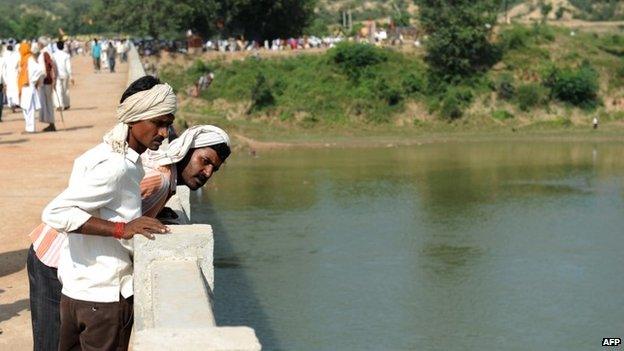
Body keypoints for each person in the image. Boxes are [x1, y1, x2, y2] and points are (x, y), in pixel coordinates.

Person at [28, 124, 230, 350]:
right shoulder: (158, 180)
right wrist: (124, 228)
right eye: (205, 161)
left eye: (214, 168)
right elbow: (103, 214)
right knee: (49, 344)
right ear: (185, 149)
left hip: (72, 259)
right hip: (56, 257)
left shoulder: (165, 180)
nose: (208, 173)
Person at [40, 76, 176, 351]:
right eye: (158, 123)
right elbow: (56, 212)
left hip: (75, 295)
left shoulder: (96, 155)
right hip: (103, 302)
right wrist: (121, 229)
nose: (164, 133)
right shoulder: (119, 167)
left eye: (168, 124)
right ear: (134, 117)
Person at [18, 41, 44, 133]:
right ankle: (29, 127)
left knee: (29, 108)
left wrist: (32, 80)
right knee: (25, 107)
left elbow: (39, 69)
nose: (20, 51)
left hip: (28, 86)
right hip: (25, 87)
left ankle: (30, 128)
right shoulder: (24, 59)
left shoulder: (29, 59)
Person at [37, 37, 57, 132]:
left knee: (48, 103)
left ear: (41, 44)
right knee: (47, 103)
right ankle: (51, 123)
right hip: (47, 81)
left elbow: (47, 68)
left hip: (46, 81)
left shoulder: (44, 54)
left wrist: (52, 79)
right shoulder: (46, 52)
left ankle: (51, 124)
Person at [53, 41, 73, 110]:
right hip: (65, 74)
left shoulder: (54, 55)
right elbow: (68, 67)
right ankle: (66, 104)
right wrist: (71, 76)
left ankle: (59, 105)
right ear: (63, 46)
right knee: (65, 89)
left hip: (57, 74)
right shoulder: (66, 55)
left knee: (58, 90)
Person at [4, 43, 20, 112]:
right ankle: (14, 105)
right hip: (15, 75)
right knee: (15, 90)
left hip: (7, 75)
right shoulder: (16, 55)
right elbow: (18, 66)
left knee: (9, 91)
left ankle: (11, 105)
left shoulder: (4, 56)